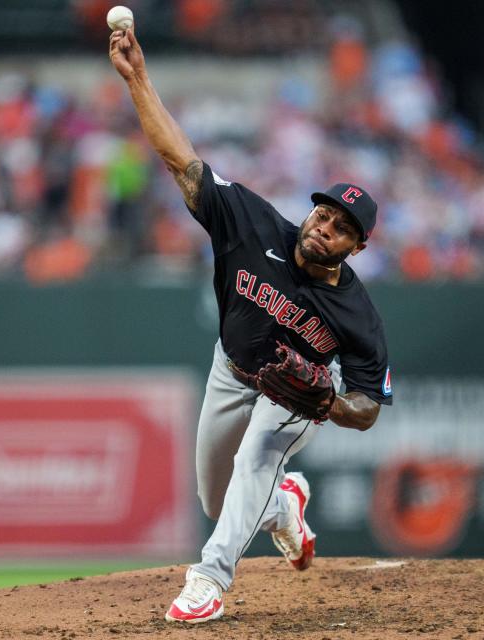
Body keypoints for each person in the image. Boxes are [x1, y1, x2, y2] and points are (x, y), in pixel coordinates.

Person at [109, 27, 393, 623]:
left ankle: (207, 581)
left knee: (255, 461)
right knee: (217, 497)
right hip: (230, 368)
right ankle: (285, 509)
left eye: (342, 226)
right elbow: (179, 161)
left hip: (297, 393)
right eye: (324, 211)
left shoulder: (358, 315)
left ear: (357, 247)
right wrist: (137, 79)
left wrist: (329, 402)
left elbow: (367, 407)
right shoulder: (253, 224)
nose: (325, 226)